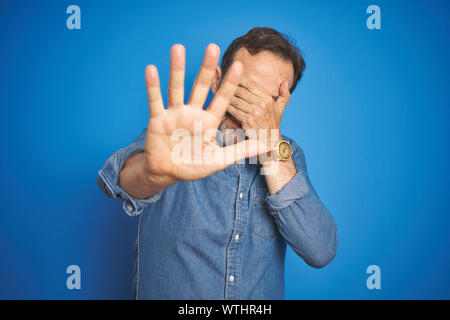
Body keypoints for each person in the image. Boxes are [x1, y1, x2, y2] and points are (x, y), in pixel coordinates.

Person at [97, 27, 337, 299]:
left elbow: (320, 250)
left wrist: (271, 148)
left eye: (265, 102)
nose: (250, 112)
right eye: (243, 90)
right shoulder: (178, 136)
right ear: (217, 81)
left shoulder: (286, 153)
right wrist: (152, 174)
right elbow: (122, 179)